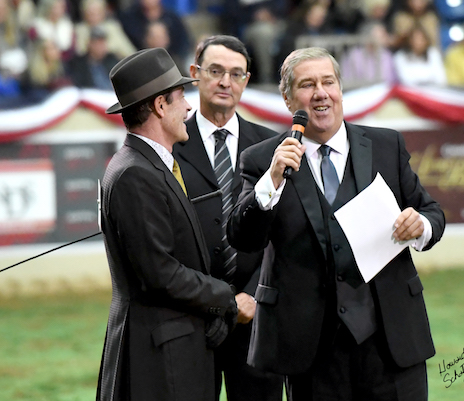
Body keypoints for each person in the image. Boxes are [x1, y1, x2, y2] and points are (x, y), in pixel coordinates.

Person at [227, 47, 446, 400]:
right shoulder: (261, 160)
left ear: (340, 90)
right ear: (287, 99)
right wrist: (271, 182)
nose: (320, 93)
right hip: (310, 350)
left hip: (391, 342)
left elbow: (432, 212)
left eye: (328, 82)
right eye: (307, 85)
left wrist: (421, 224)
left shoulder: (385, 145)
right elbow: (243, 237)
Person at [97, 47, 238, 401]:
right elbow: (160, 274)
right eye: (181, 98)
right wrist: (227, 297)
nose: (189, 107)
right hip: (159, 363)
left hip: (171, 353)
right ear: (161, 106)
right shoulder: (135, 173)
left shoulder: (146, 165)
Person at [173, 35, 284, 401]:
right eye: (216, 71)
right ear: (195, 74)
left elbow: (282, 235)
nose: (225, 82)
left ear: (247, 81)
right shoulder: (169, 143)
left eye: (236, 74)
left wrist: (251, 296)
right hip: (190, 317)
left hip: (255, 321)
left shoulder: (271, 147)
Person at [67, 25, 119, 89]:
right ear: (89, 44)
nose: (101, 47)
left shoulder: (112, 59)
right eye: (97, 43)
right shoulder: (78, 63)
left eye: (103, 43)